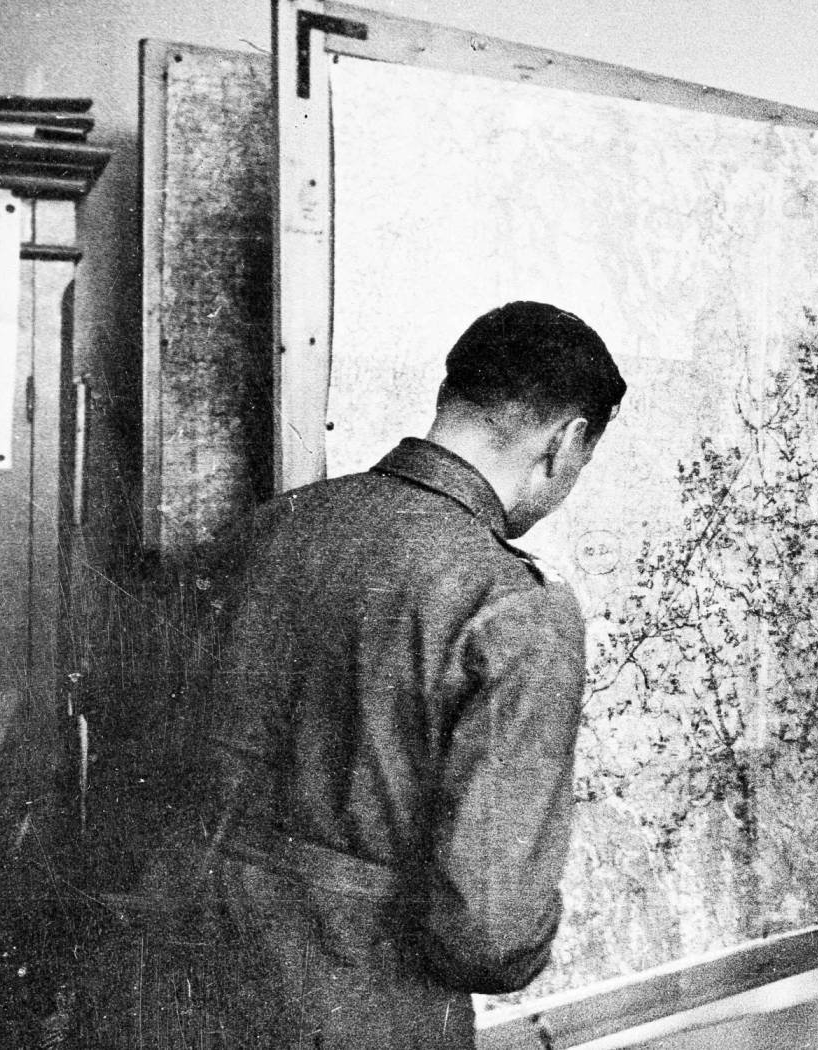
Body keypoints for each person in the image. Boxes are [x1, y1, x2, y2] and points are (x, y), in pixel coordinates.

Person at [201, 301, 626, 1049]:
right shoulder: (512, 607)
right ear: (567, 442)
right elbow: (489, 934)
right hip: (370, 1020)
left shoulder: (269, 528)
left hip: (188, 998)